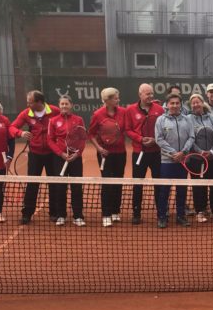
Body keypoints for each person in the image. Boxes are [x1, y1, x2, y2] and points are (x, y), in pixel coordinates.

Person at [10, 90, 60, 225]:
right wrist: (20, 133)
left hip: (52, 154)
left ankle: (54, 213)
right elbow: (12, 127)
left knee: (54, 183)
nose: (27, 104)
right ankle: (27, 214)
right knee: (32, 184)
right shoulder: (26, 113)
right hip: (35, 154)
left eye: (30, 101)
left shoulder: (55, 111)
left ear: (39, 102)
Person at [126, 83, 165, 224]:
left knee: (159, 184)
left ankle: (161, 213)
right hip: (139, 153)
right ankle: (136, 213)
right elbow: (128, 129)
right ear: (140, 94)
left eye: (151, 93)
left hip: (156, 153)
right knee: (138, 184)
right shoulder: (130, 110)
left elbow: (164, 129)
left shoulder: (160, 110)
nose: (150, 96)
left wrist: (156, 140)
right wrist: (141, 139)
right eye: (147, 93)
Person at [89, 87, 127, 227]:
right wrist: (99, 148)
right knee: (107, 183)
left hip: (120, 153)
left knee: (118, 182)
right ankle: (106, 214)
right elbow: (91, 134)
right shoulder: (98, 114)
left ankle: (116, 211)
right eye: (116, 98)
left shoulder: (123, 112)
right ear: (108, 100)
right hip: (105, 154)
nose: (118, 100)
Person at [155, 93, 194, 228]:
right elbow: (159, 139)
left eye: (177, 103)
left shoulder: (187, 120)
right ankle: (162, 217)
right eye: (172, 103)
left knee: (181, 190)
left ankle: (181, 216)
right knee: (164, 190)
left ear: (181, 104)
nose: (175, 106)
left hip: (183, 161)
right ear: (167, 105)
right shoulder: (160, 120)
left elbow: (191, 137)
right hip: (167, 161)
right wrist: (173, 153)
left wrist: (183, 152)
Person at [48, 96, 86, 226]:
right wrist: (61, 153)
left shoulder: (78, 120)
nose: (64, 106)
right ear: (59, 105)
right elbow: (50, 140)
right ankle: (61, 215)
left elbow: (82, 138)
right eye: (62, 104)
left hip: (75, 158)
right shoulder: (53, 121)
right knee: (60, 187)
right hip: (59, 158)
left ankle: (78, 216)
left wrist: (77, 153)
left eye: (66, 104)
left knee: (76, 187)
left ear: (71, 105)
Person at [188, 93, 213, 222]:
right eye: (193, 103)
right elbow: (190, 138)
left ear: (202, 103)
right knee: (199, 187)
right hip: (197, 160)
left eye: (198, 102)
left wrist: (212, 151)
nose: (196, 104)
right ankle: (200, 211)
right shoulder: (189, 119)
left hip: (212, 158)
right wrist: (200, 152)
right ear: (191, 105)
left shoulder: (212, 118)